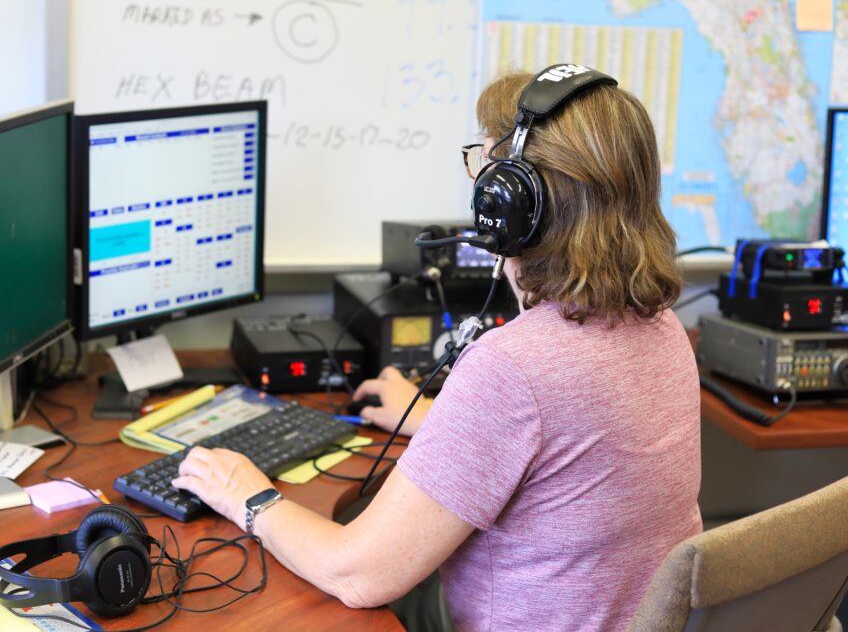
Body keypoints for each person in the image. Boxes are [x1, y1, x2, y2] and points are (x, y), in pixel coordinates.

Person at [171, 69, 702, 631]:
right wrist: (436, 419)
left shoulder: (515, 369)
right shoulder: (662, 327)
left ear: (512, 206)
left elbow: (358, 574)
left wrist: (248, 497)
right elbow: (563, 462)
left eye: (484, 166)